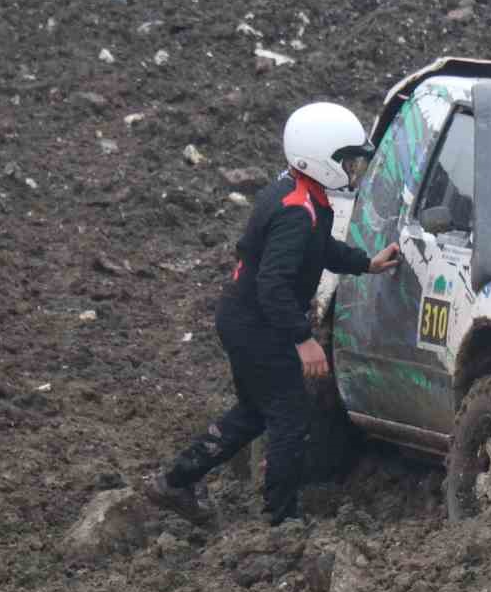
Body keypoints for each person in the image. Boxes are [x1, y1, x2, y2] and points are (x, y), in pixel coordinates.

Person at [142, 102, 399, 526]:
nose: (353, 169)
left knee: (255, 412)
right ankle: (280, 520)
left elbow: (320, 250)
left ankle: (175, 481)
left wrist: (366, 263)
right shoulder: (298, 213)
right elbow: (274, 285)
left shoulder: (300, 197)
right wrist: (304, 339)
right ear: (319, 158)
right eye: (347, 159)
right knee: (289, 416)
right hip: (258, 325)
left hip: (246, 320)